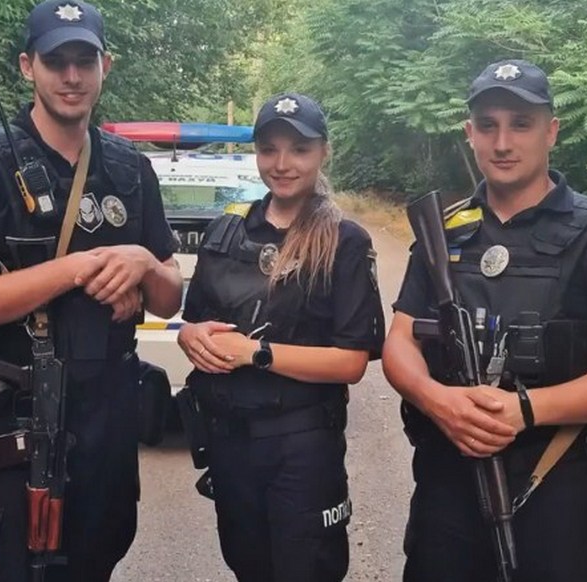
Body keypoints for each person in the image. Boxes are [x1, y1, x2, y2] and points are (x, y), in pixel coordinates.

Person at [0, 1, 183, 580]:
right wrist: (73, 271)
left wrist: (142, 263)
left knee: (94, 560)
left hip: (107, 424)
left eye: (85, 60)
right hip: (15, 426)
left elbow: (169, 298)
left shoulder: (130, 169)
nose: (72, 76)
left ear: (106, 65)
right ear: (26, 66)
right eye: (57, 61)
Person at [382, 59, 587, 582]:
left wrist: (525, 410)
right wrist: (436, 400)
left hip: (556, 487)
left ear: (551, 131)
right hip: (447, 486)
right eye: (488, 125)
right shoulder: (444, 233)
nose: (503, 142)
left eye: (521, 124)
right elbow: (401, 339)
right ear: (470, 133)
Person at [176, 92, 385, 582]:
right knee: (248, 567)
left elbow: (351, 362)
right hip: (230, 444)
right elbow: (194, 322)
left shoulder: (345, 241)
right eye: (269, 149)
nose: (282, 163)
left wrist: (256, 353)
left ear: (323, 152)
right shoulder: (226, 232)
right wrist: (189, 337)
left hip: (302, 445)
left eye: (299, 149)